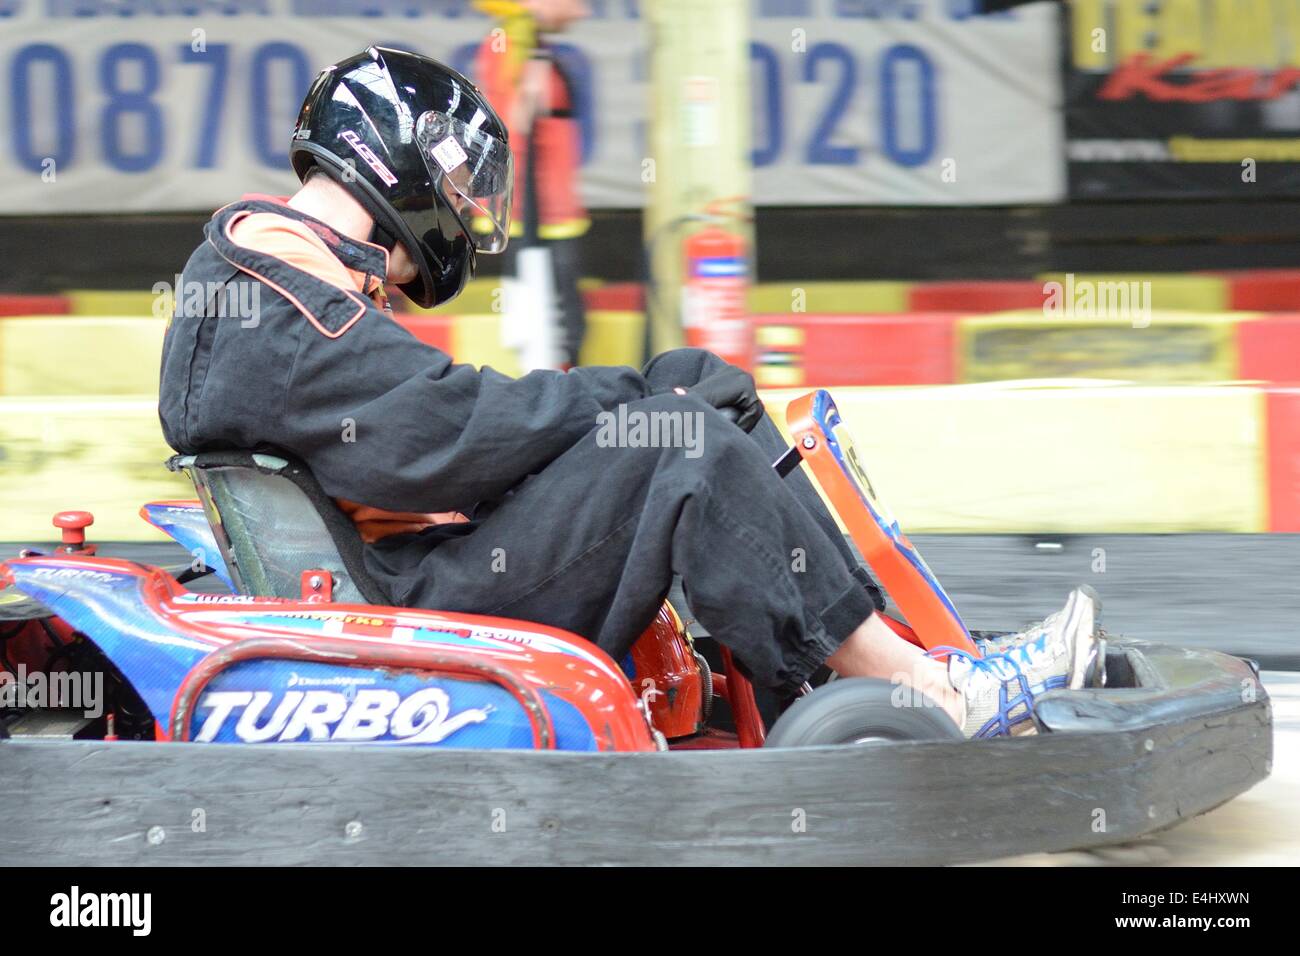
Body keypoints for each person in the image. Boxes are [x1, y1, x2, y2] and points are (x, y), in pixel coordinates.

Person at [158, 47, 1103, 739]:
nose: (460, 206)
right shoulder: (270, 292)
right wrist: (628, 396)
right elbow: (439, 436)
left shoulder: (280, 276)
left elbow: (432, 424)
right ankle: (930, 692)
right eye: (451, 178)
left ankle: (863, 664)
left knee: (693, 409)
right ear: (394, 163)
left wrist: (638, 389)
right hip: (418, 597)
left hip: (423, 563)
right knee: (676, 443)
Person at [475, 0, 591, 368]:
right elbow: (513, 124)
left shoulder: (531, 45)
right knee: (549, 326)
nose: (582, 11)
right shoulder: (510, 47)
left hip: (551, 212)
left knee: (565, 322)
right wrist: (529, 88)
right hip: (531, 217)